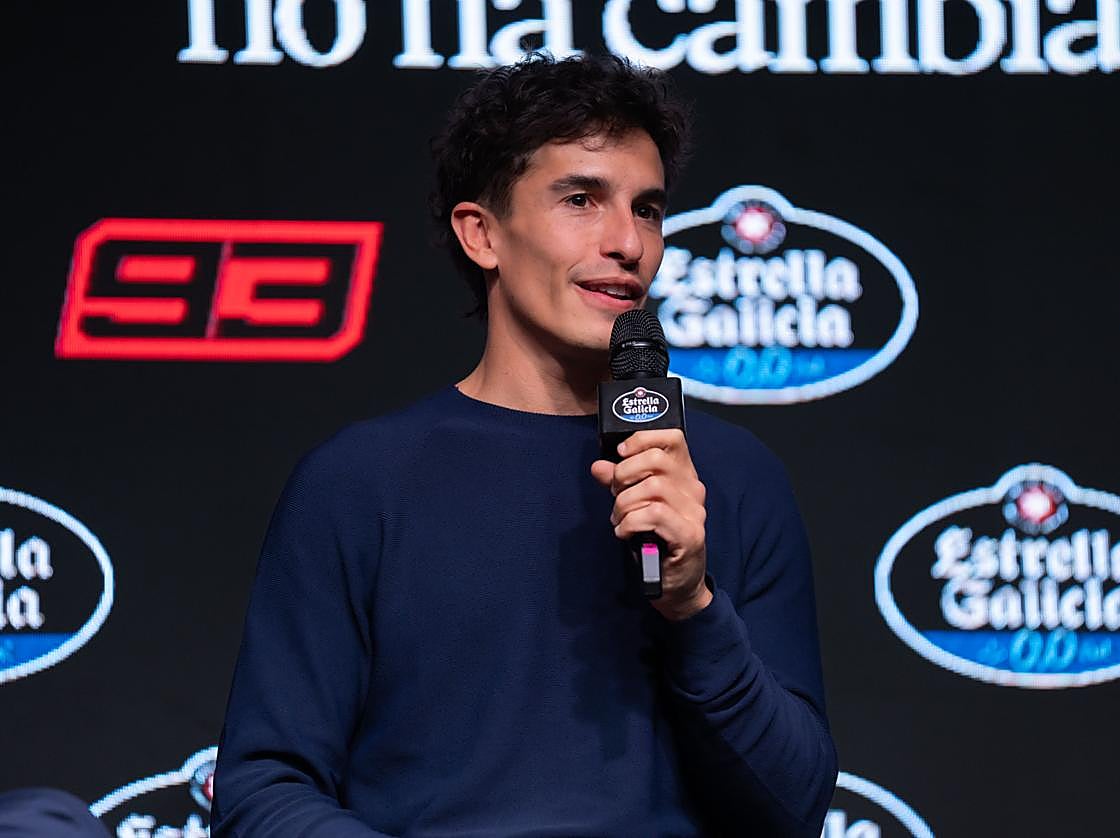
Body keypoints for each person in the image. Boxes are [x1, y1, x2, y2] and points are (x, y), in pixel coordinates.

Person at [212, 52, 837, 837]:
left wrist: (693, 606)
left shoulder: (733, 480)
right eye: (581, 199)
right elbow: (264, 791)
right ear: (482, 235)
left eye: (647, 209)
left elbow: (796, 807)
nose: (627, 243)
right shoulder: (359, 483)